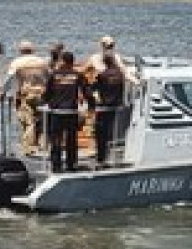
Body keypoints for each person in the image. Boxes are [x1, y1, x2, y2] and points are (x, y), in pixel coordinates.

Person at [42, 49, 93, 173]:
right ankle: (71, 165)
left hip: (57, 112)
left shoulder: (54, 75)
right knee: (71, 140)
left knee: (56, 140)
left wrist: (46, 102)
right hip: (71, 111)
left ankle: (56, 166)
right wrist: (91, 106)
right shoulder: (78, 75)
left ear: (62, 61)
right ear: (72, 62)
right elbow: (87, 92)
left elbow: (47, 93)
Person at [87, 36, 129, 167]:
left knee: (102, 132)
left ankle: (102, 158)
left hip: (104, 102)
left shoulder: (106, 62)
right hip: (115, 101)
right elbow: (125, 74)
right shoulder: (114, 61)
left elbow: (91, 81)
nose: (109, 47)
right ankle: (106, 157)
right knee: (109, 131)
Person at [6, 40, 51, 155]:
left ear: (20, 50)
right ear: (33, 50)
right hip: (41, 93)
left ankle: (28, 148)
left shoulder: (17, 62)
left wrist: (3, 92)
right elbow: (49, 76)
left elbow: (9, 78)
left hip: (26, 94)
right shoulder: (41, 62)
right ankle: (43, 145)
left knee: (28, 122)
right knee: (43, 120)